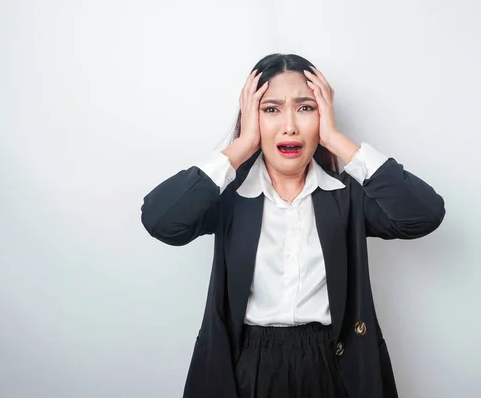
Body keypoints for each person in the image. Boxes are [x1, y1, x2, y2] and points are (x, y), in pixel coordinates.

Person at [141, 53, 445, 398]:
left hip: (333, 364)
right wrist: (241, 146)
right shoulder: (229, 196)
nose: (290, 126)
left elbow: (424, 214)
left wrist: (337, 141)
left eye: (305, 108)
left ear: (323, 115)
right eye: (271, 109)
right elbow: (160, 220)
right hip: (246, 365)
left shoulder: (346, 197)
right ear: (251, 117)